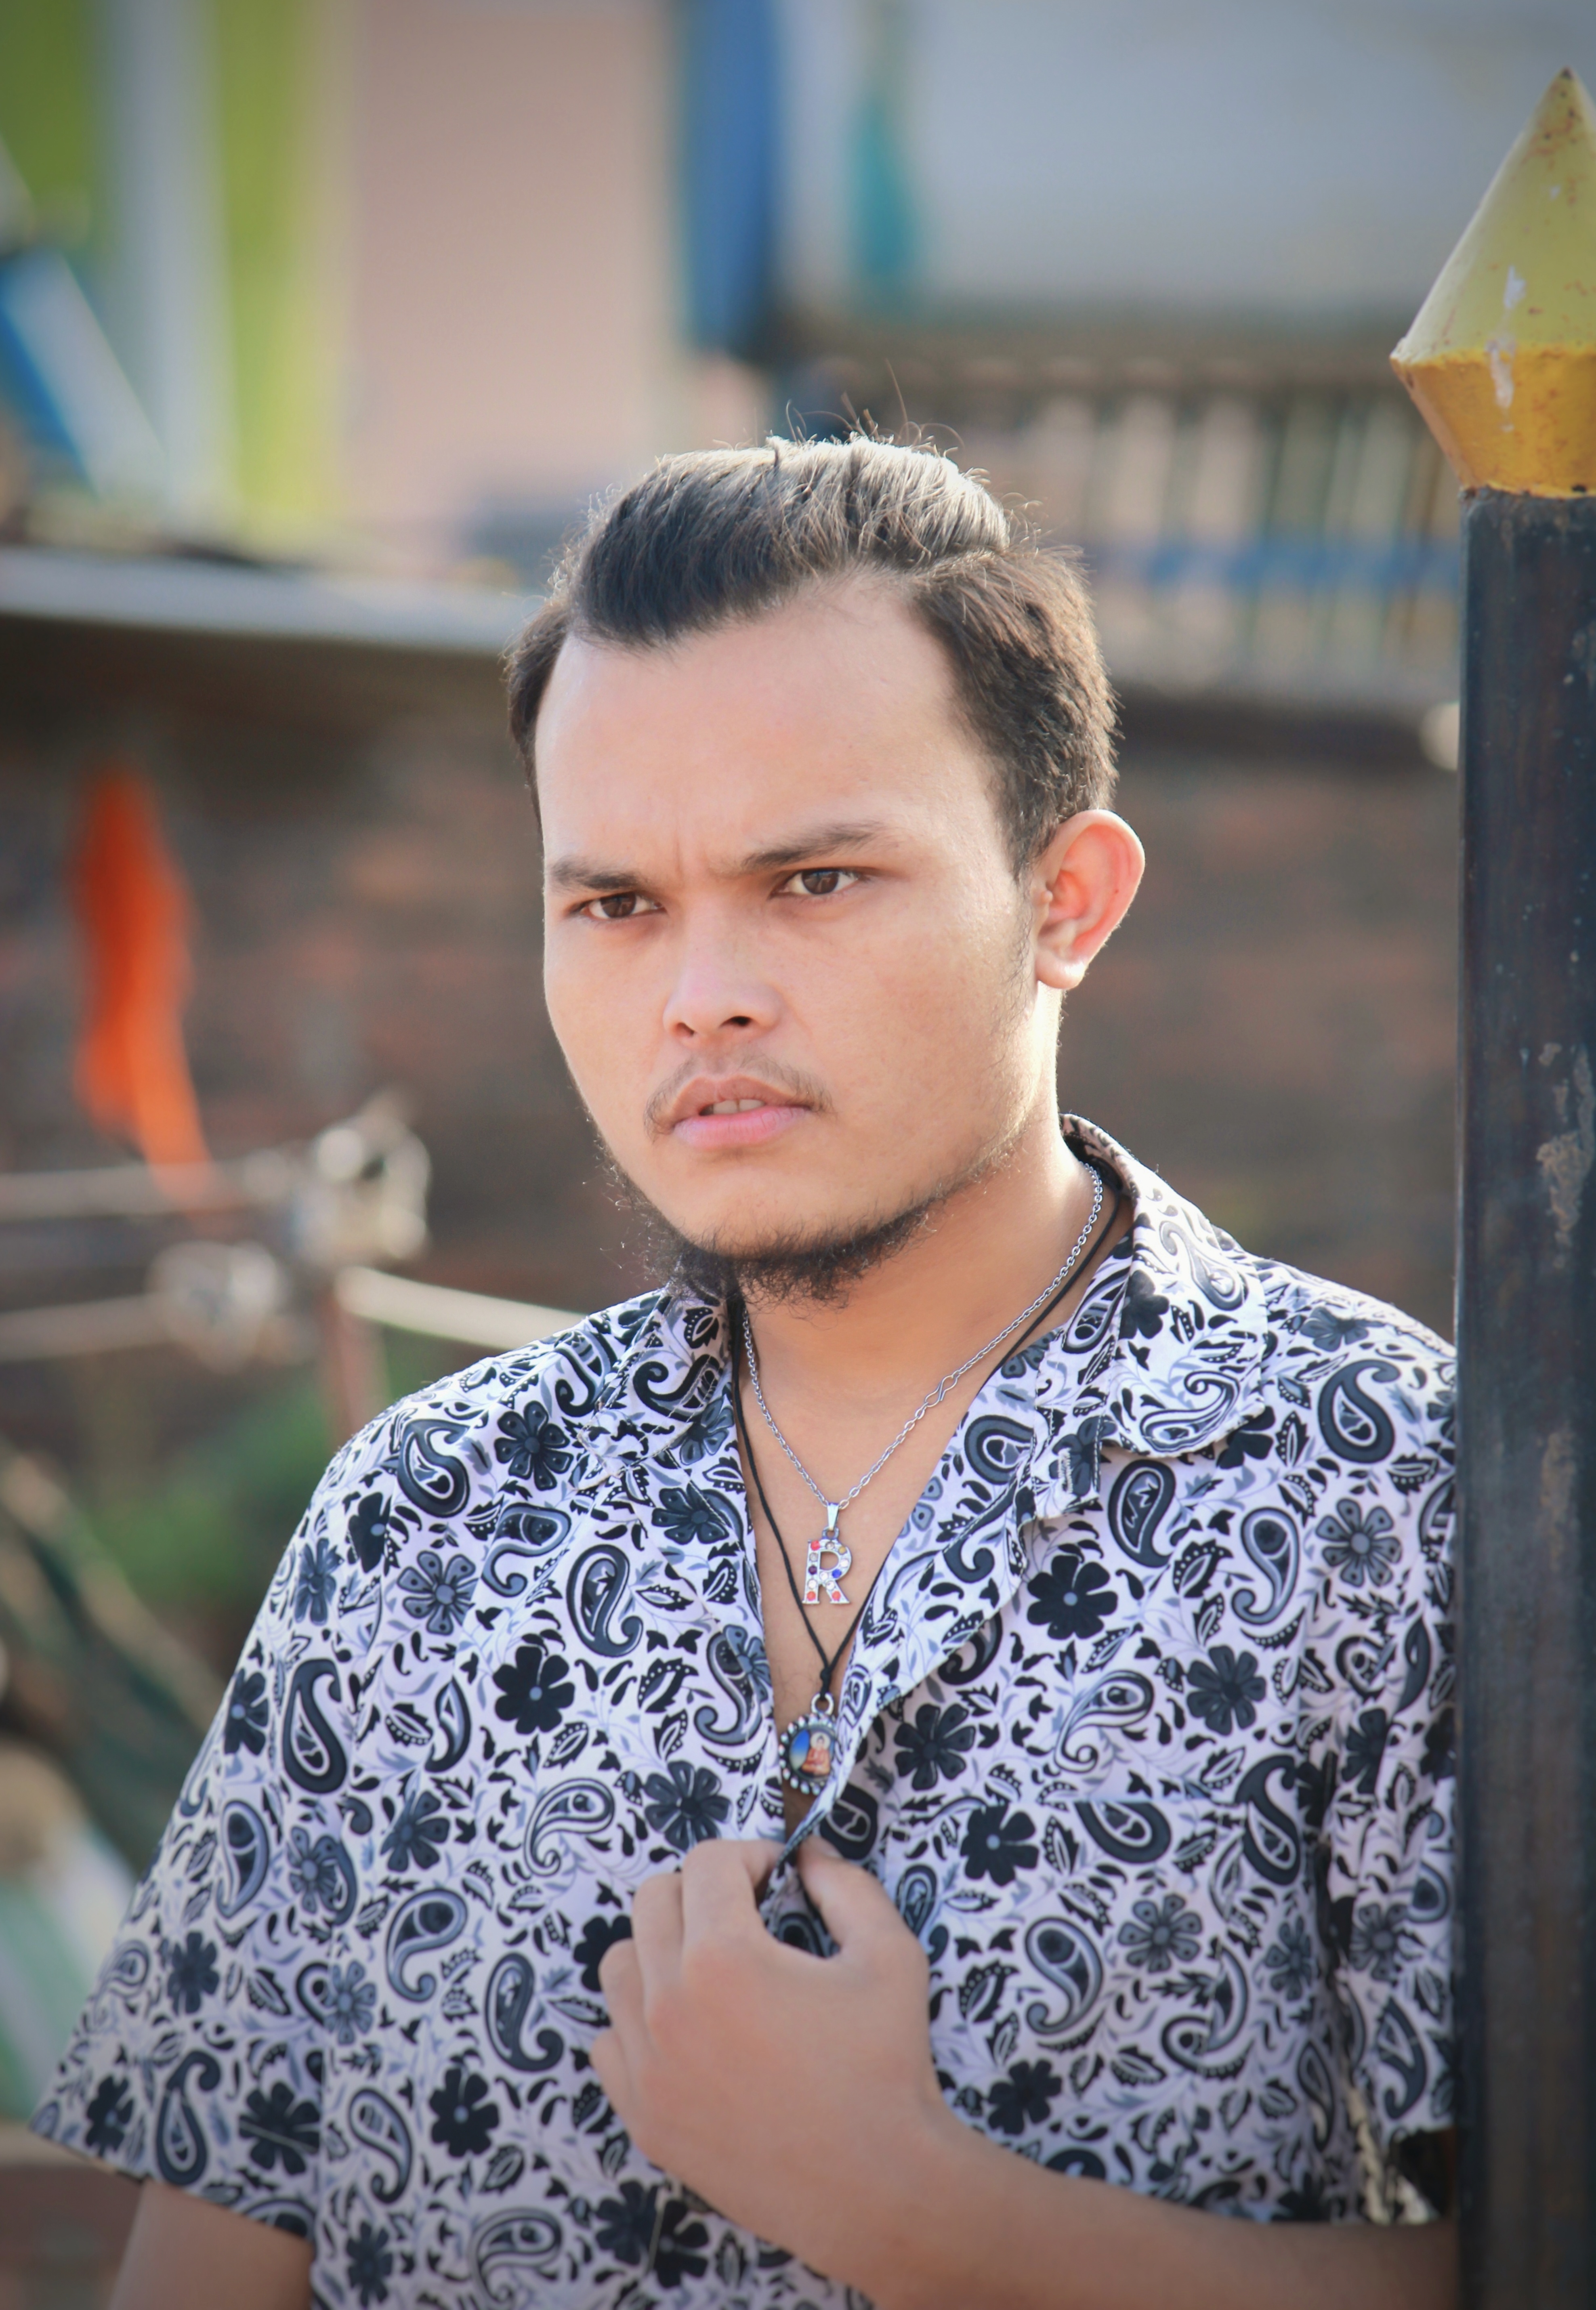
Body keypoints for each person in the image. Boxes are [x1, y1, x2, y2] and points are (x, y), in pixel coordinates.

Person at [35, 440, 1456, 2308]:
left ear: (1065, 899)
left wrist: (913, 2206)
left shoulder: (1374, 1483)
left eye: (814, 878)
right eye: (616, 903)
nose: (700, 991)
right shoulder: (422, 1520)